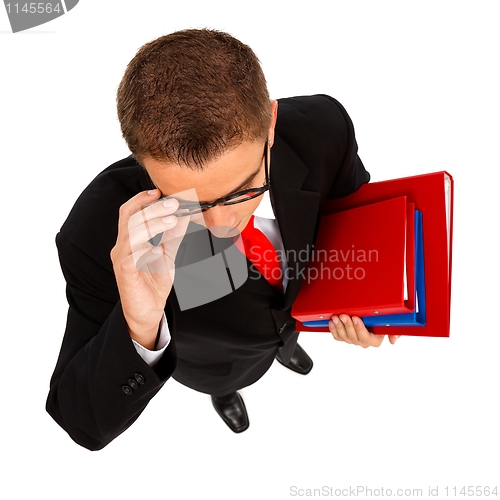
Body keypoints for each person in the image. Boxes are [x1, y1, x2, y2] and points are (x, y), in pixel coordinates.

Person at [46, 28, 399, 451]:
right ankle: (225, 395)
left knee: (288, 337)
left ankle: (287, 349)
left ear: (270, 124)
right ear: (142, 161)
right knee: (226, 380)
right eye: (187, 199)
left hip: (303, 314)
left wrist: (372, 303)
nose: (219, 222)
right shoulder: (96, 231)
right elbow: (81, 421)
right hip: (218, 362)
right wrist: (140, 324)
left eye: (242, 190)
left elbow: (352, 213)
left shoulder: (323, 127)